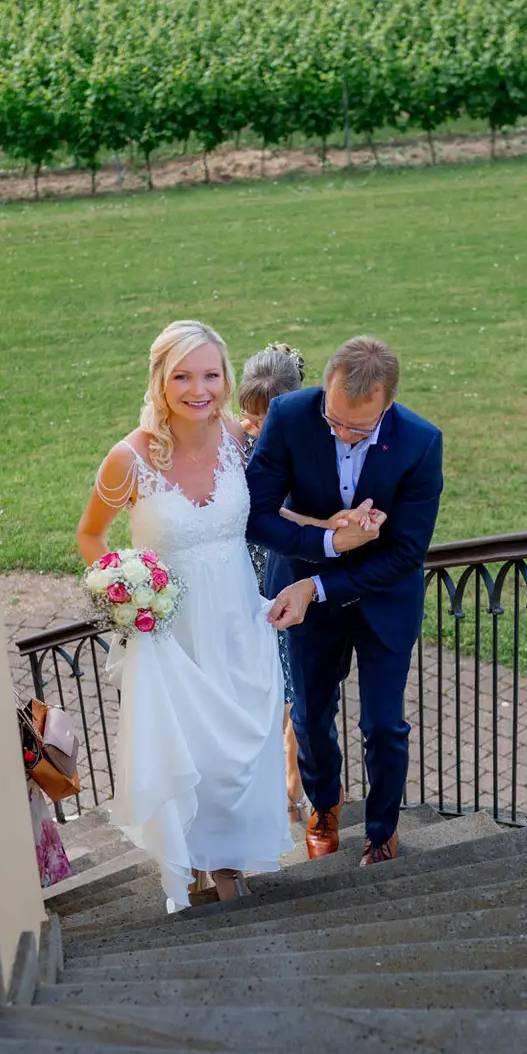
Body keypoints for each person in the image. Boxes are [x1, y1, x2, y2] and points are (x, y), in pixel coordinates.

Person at [76, 321, 381, 908]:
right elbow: (91, 536)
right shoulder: (128, 460)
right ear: (160, 381)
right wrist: (126, 593)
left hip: (241, 622)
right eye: (183, 376)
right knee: (190, 752)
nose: (199, 389)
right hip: (170, 633)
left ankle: (226, 863)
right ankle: (202, 868)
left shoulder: (241, 443)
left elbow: (270, 516)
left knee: (239, 750)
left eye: (212, 375)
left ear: (226, 378)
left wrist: (329, 528)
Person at [246, 336, 443, 865]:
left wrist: (322, 584)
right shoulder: (289, 416)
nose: (340, 433)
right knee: (310, 718)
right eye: (334, 419)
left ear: (387, 405)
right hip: (302, 591)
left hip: (382, 600)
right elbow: (256, 514)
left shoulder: (421, 443)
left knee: (383, 724)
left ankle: (381, 832)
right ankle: (325, 806)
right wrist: (329, 542)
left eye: (358, 427)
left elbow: (405, 553)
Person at [236, 343, 311, 836]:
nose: (256, 427)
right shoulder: (228, 443)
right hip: (243, 572)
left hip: (291, 572)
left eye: (266, 417)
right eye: (249, 415)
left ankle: (294, 767)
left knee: (297, 678)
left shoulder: (311, 443)